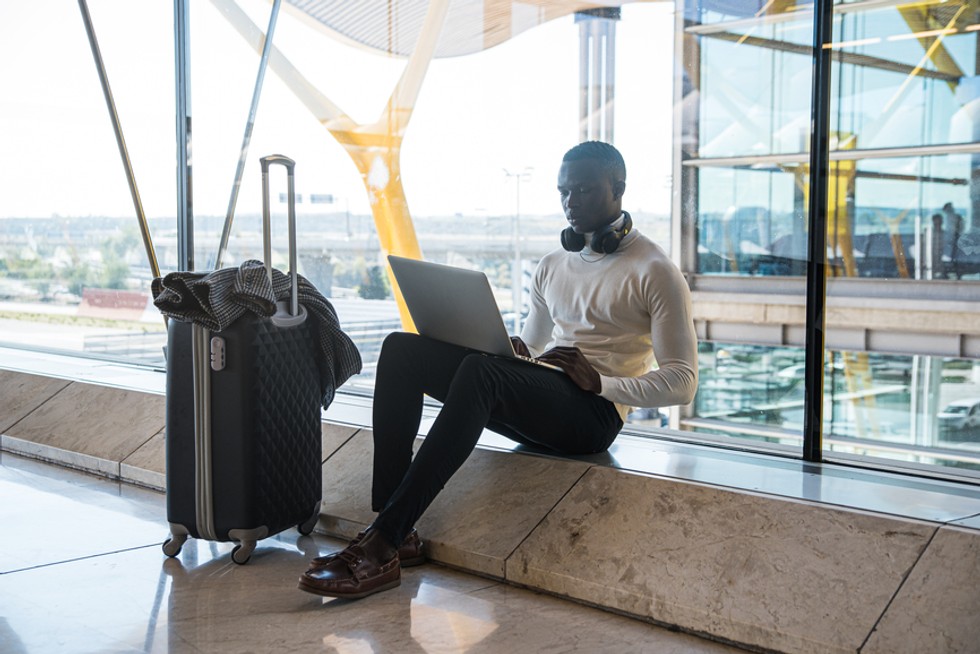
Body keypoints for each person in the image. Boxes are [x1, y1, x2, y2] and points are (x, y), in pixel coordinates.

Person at [297, 141, 699, 600]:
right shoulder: (552, 265)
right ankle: (395, 528)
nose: (571, 202)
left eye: (585, 190)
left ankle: (381, 544)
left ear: (618, 189)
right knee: (402, 351)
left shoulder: (655, 270)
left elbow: (682, 381)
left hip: (595, 417)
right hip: (551, 398)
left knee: (480, 373)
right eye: (564, 191)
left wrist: (601, 382)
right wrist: (516, 350)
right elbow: (537, 343)